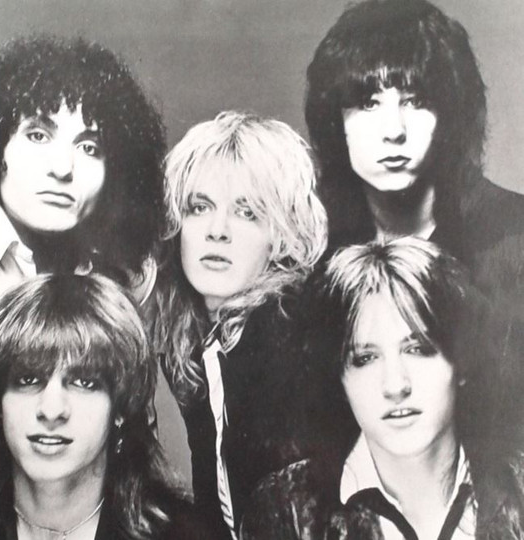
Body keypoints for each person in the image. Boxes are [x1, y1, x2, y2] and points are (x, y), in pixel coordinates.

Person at [0, 36, 165, 499]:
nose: (62, 167)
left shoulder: (120, 280)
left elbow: (136, 448)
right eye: (38, 135)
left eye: (90, 147)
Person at [305, 0, 524, 460]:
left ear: (451, 116)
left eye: (416, 101)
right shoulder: (309, 250)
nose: (394, 131)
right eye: (368, 103)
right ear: (335, 120)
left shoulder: (514, 239)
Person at [242, 238, 524, 540]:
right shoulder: (286, 511)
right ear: (339, 378)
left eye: (417, 349)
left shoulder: (517, 488)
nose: (395, 386)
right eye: (365, 358)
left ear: (461, 361)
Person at [0, 274, 213, 540]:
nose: (51, 410)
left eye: (84, 382)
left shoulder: (183, 534)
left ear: (120, 408)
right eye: (28, 379)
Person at [149, 110, 328, 539]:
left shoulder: (291, 337)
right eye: (199, 208)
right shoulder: (201, 344)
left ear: (282, 236)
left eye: (247, 213)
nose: (217, 231)